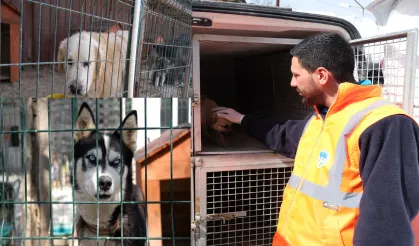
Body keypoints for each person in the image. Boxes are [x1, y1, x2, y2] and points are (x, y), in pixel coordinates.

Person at [212, 32, 419, 246]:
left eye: (296, 75)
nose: (292, 83)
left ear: (321, 75)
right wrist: (242, 119)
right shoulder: (322, 117)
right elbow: (283, 134)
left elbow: (387, 222)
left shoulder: (385, 124)